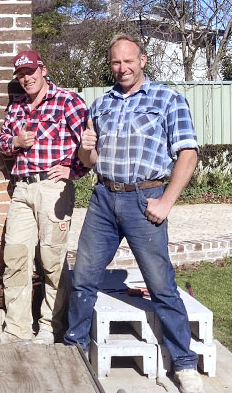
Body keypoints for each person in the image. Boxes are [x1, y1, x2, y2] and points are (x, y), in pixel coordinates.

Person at [64, 34, 203, 393]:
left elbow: (188, 153)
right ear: (109, 65)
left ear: (143, 60)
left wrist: (166, 201)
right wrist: (84, 150)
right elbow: (90, 161)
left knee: (161, 284)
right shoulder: (101, 104)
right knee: (82, 277)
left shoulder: (168, 99)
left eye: (128, 61)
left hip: (146, 199)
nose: (122, 68)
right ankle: (74, 348)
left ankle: (185, 364)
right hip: (104, 198)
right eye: (115, 62)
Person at [0, 50, 89, 346]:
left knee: (52, 260)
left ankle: (50, 328)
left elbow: (91, 142)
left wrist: (73, 169)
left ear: (42, 69)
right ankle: (16, 328)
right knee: (15, 257)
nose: (26, 78)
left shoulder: (68, 101)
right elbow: (3, 142)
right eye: (21, 74)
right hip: (22, 188)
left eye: (30, 71)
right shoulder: (16, 106)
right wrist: (15, 142)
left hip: (52, 188)